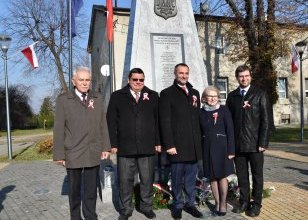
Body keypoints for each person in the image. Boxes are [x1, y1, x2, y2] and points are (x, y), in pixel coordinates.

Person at [53, 66, 111, 220]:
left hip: (92, 150)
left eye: (87, 80)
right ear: (74, 81)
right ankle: (75, 217)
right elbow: (58, 128)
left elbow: (102, 124)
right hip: (73, 151)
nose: (85, 83)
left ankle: (91, 215)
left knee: (91, 190)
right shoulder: (64, 100)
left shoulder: (97, 98)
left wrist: (105, 146)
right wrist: (59, 154)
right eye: (81, 80)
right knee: (74, 191)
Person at [106, 68, 161, 220]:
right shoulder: (117, 96)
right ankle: (125, 209)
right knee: (125, 180)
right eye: (135, 79)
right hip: (125, 146)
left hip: (147, 146)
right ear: (129, 80)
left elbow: (158, 121)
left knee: (147, 179)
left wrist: (158, 142)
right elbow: (111, 121)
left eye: (141, 80)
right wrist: (113, 143)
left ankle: (146, 206)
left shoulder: (153, 95)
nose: (138, 82)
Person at [159, 63, 203, 219]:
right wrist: (169, 144)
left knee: (191, 178)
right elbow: (164, 121)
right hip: (177, 146)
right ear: (175, 74)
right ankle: (177, 204)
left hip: (193, 145)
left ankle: (190, 204)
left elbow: (198, 118)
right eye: (181, 73)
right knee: (177, 179)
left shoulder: (195, 92)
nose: (184, 76)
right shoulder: (166, 93)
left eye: (186, 73)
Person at [226, 65, 271, 217]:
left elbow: (266, 120)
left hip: (255, 145)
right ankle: (244, 201)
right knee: (242, 176)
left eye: (246, 76)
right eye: (241, 76)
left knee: (257, 175)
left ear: (250, 76)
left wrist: (263, 143)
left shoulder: (260, 94)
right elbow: (229, 122)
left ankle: (256, 203)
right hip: (238, 145)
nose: (244, 79)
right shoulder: (232, 97)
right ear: (237, 78)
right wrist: (230, 145)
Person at [199, 86, 235, 216]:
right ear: (204, 98)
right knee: (212, 178)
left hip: (223, 148)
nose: (213, 98)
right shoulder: (201, 112)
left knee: (222, 177)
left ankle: (224, 203)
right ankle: (217, 202)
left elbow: (230, 130)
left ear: (218, 97)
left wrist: (231, 150)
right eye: (209, 96)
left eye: (215, 96)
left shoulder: (224, 110)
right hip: (207, 148)